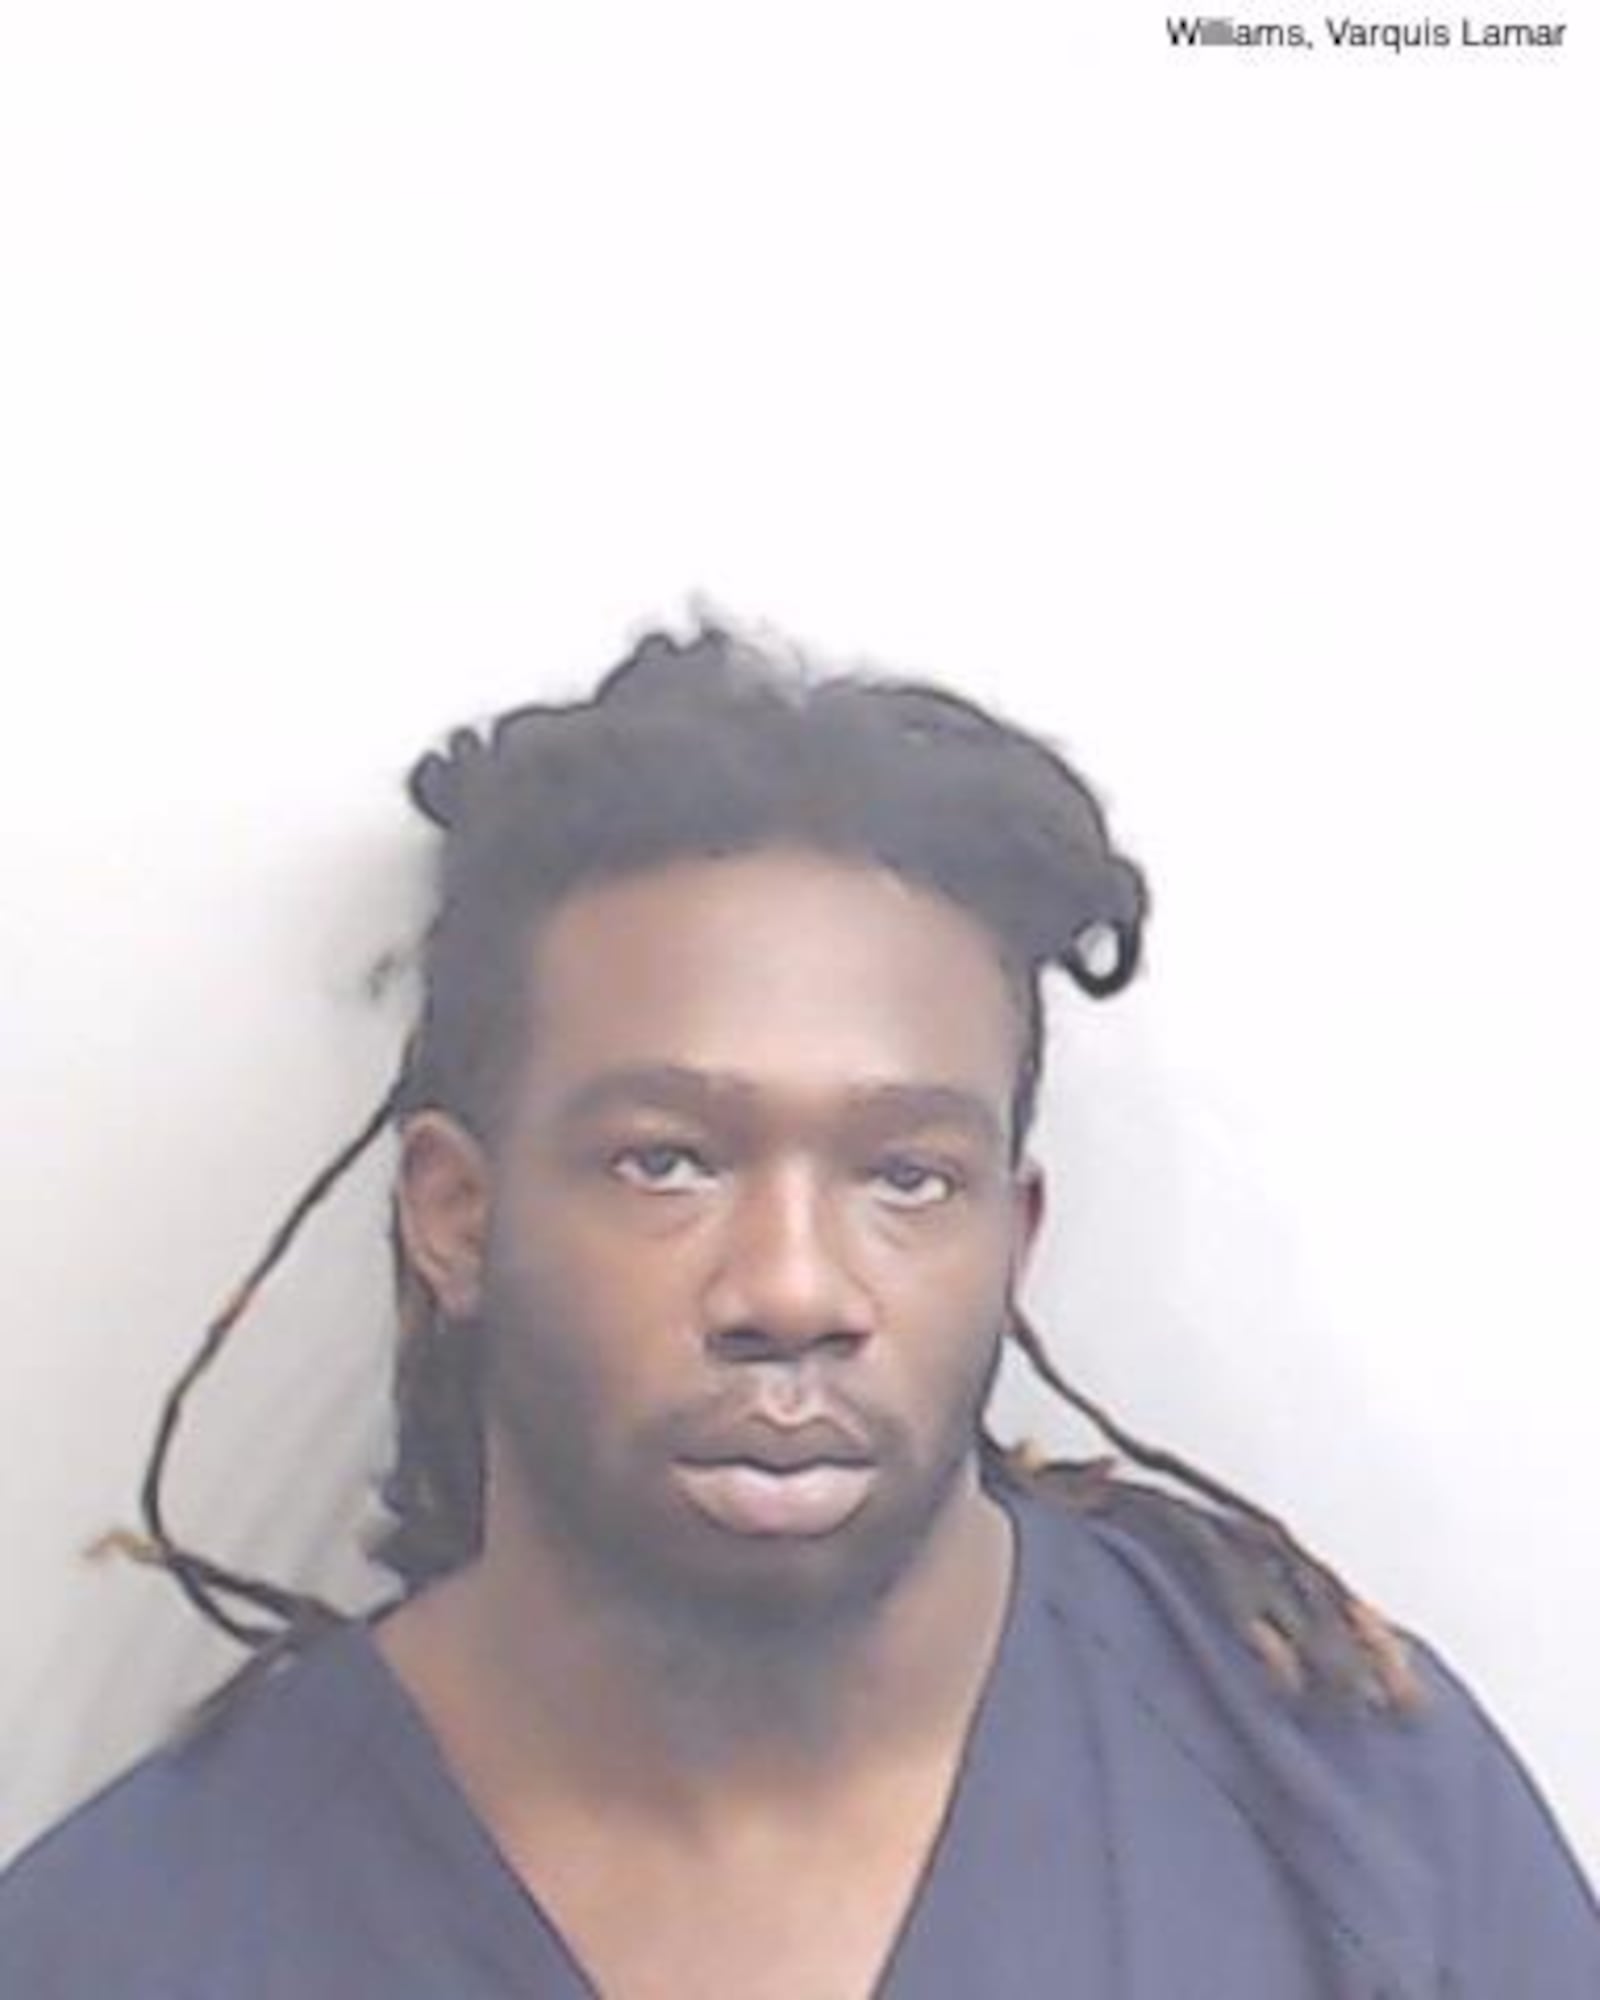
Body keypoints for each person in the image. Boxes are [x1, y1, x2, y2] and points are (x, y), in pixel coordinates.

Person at [1, 619, 1595, 1998]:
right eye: (667, 1161)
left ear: (1013, 1236)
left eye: (906, 1176)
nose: (791, 1289)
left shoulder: (1358, 1820)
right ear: (456, 1216)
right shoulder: (136, 1944)